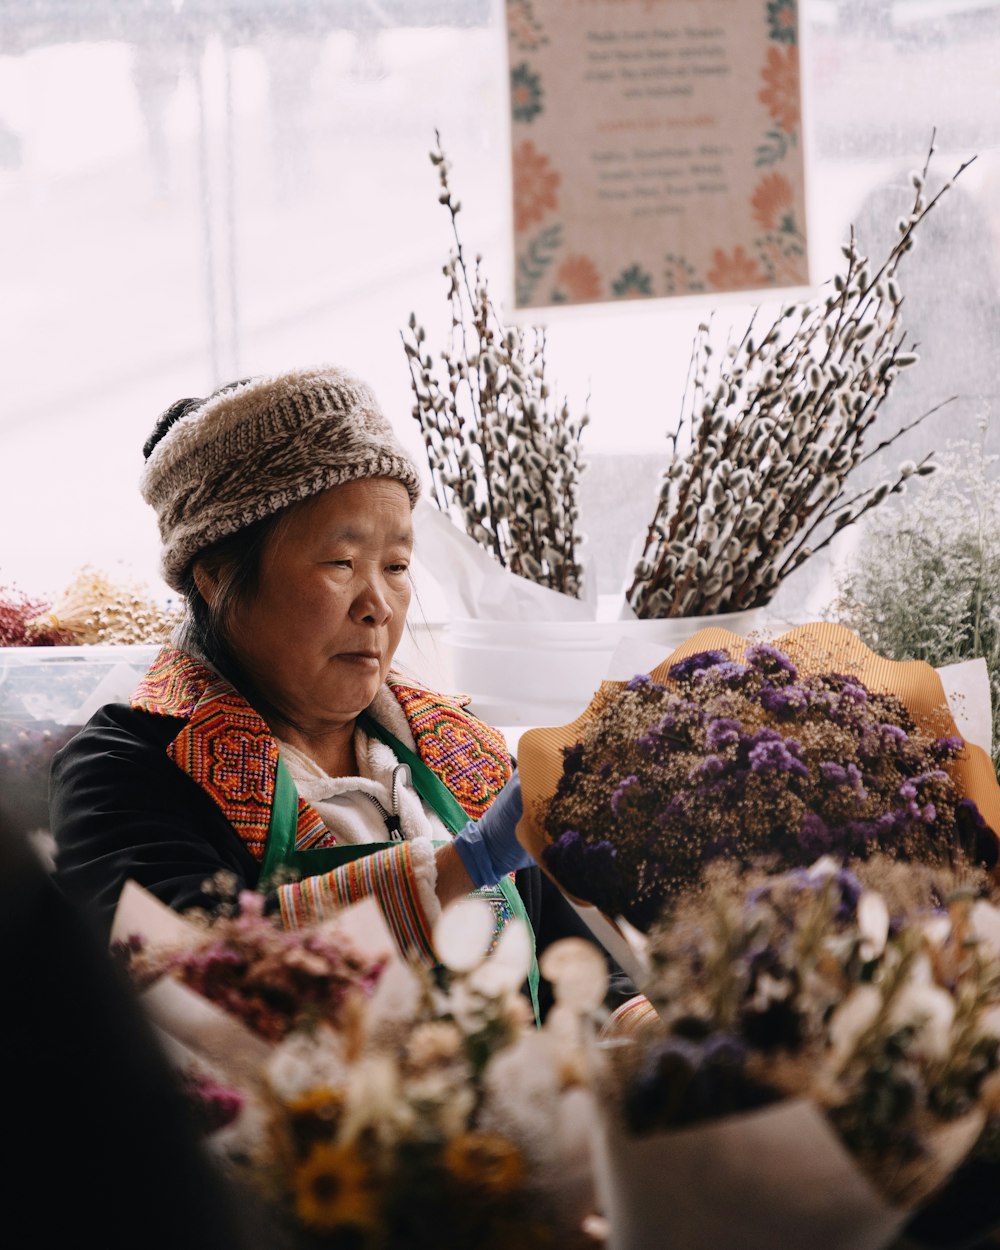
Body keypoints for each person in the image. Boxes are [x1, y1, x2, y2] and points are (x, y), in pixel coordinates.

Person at [50, 365, 621, 1017]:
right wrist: (464, 865)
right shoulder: (127, 768)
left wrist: (644, 1027)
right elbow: (202, 986)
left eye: (398, 566)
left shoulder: (450, 745)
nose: (378, 604)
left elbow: (567, 958)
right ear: (214, 578)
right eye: (340, 564)